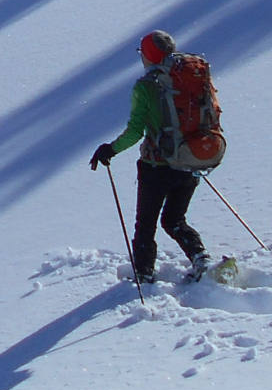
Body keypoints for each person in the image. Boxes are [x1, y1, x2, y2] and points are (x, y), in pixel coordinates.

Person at [89, 30, 209, 283]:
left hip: (156, 166)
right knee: (174, 219)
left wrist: (109, 149)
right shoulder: (190, 75)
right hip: (190, 161)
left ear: (148, 56)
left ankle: (143, 275)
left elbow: (135, 131)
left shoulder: (146, 87)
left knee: (145, 225)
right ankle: (201, 259)